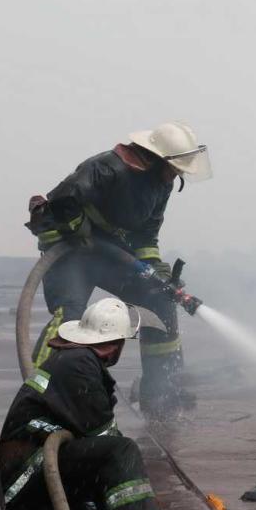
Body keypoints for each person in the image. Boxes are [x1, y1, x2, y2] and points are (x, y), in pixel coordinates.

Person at [26, 122, 212, 414]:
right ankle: (38, 397)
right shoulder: (106, 168)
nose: (177, 175)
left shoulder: (160, 185)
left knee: (160, 301)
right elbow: (61, 202)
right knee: (69, 319)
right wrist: (76, 227)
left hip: (108, 257)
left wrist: (155, 270)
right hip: (71, 253)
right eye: (174, 167)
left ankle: (161, 393)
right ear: (154, 159)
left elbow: (147, 235)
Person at [0, 297, 179, 510]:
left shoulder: (75, 360)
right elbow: (104, 435)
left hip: (33, 476)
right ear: (114, 343)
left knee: (113, 459)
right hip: (31, 476)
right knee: (122, 450)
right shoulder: (79, 364)